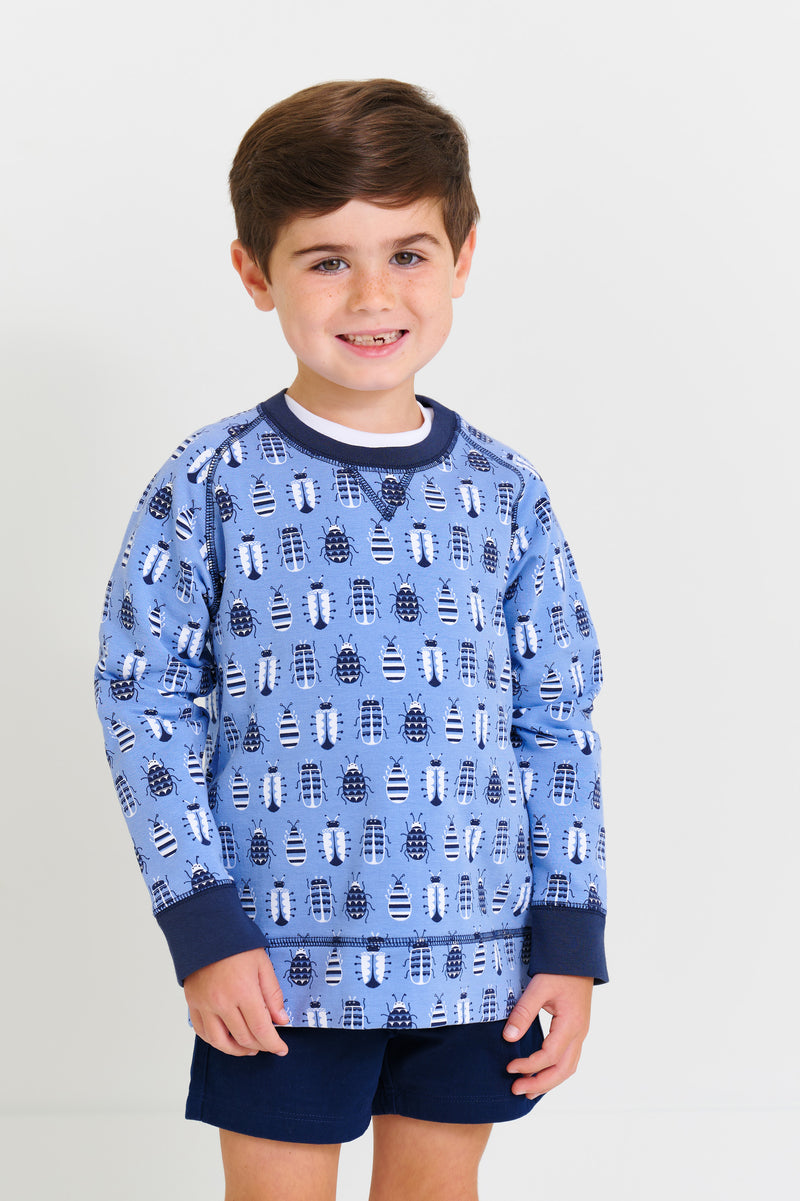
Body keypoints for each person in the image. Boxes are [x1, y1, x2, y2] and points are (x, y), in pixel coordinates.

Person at [94, 78, 608, 1201]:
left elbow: (556, 714)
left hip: (476, 959)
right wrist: (203, 925)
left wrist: (568, 938)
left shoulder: (504, 491)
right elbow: (142, 698)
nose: (373, 295)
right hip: (276, 963)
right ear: (255, 273)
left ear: (461, 257)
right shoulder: (210, 482)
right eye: (327, 260)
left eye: (407, 254)